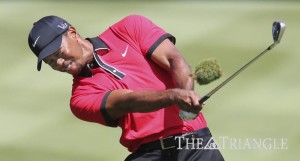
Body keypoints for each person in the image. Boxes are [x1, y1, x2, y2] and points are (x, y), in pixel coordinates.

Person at [28, 15, 224, 161]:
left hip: (196, 145)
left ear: (72, 33)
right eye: (50, 61)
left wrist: (186, 96)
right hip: (149, 154)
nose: (59, 63)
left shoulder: (129, 27)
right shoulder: (80, 98)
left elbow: (174, 59)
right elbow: (127, 101)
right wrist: (173, 96)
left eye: (58, 52)